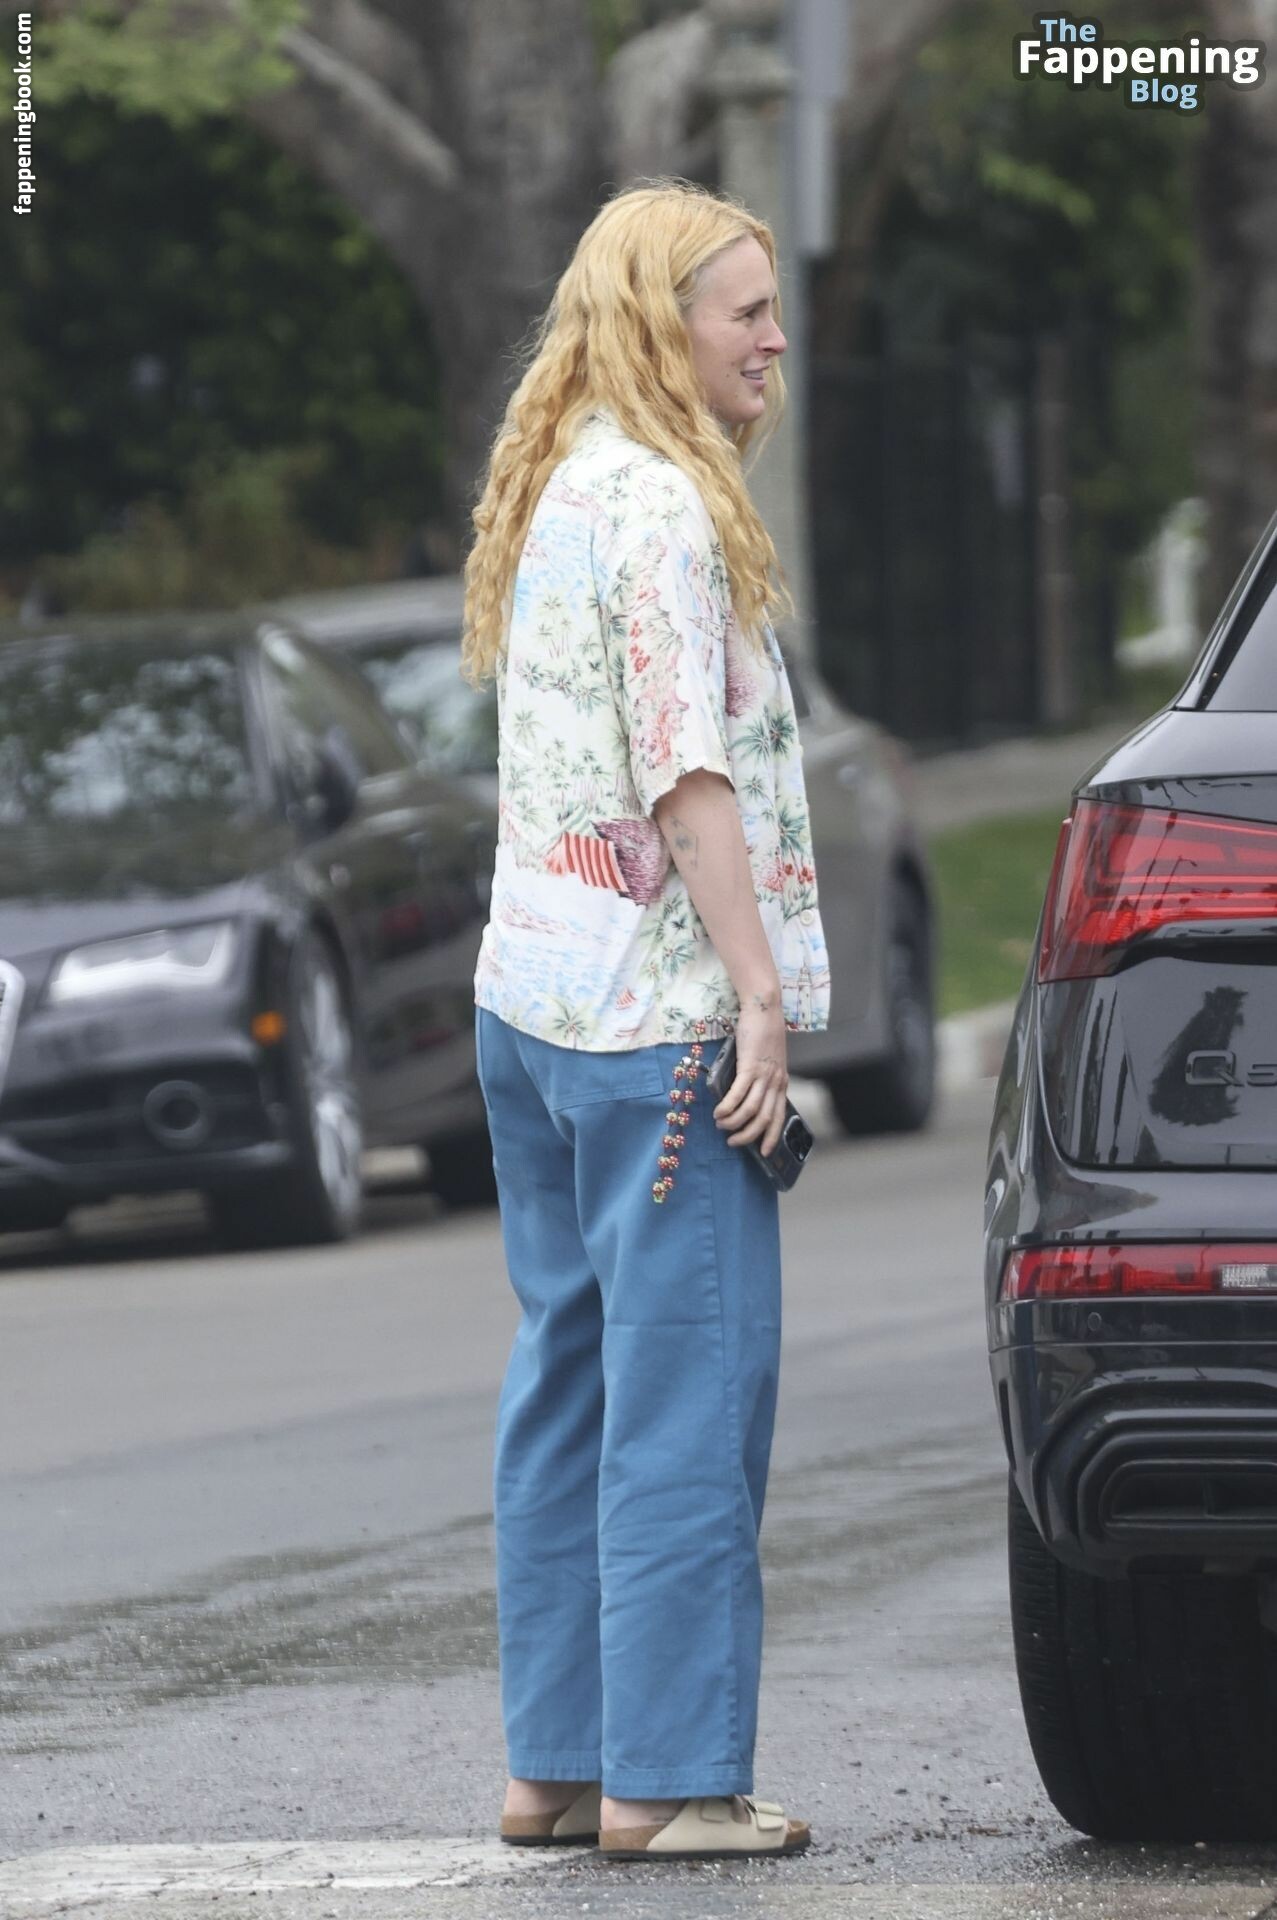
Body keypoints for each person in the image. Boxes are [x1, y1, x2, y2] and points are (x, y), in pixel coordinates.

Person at [460, 178, 831, 1863]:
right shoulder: (671, 510)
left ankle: (554, 1768)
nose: (774, 337)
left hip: (531, 1011)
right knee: (684, 1405)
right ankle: (667, 1784)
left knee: (567, 1387)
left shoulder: (567, 482)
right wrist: (756, 998)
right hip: (655, 1027)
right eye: (744, 309)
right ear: (660, 325)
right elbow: (686, 781)